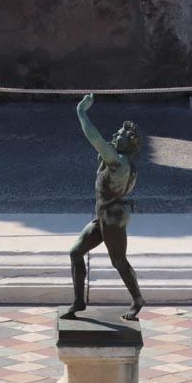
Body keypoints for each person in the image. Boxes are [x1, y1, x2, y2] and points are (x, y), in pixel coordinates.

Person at [62, 93, 145, 322]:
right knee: (75, 252)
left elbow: (95, 138)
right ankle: (79, 301)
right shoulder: (122, 161)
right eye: (117, 133)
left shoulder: (118, 161)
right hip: (104, 216)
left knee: (118, 261)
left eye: (120, 135)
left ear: (130, 143)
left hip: (112, 218)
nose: (115, 135)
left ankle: (137, 300)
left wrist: (81, 111)